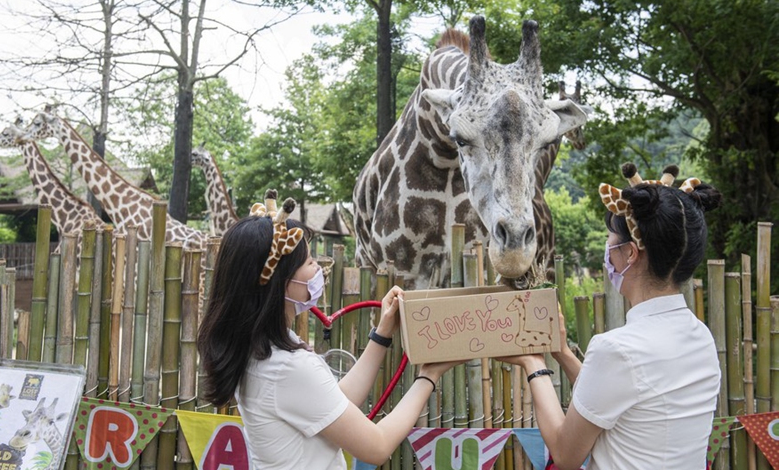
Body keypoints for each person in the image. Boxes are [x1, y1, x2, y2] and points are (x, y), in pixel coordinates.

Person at [198, 190, 461, 469]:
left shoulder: (263, 348)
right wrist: (428, 377)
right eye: (309, 262)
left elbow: (334, 402)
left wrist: (382, 334)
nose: (317, 268)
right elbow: (377, 446)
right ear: (279, 281)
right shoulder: (286, 367)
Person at [495, 164, 723, 470]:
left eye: (610, 240)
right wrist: (562, 353)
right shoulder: (700, 336)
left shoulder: (617, 349)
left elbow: (565, 454)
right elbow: (617, 394)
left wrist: (534, 364)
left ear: (630, 253)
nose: (607, 250)